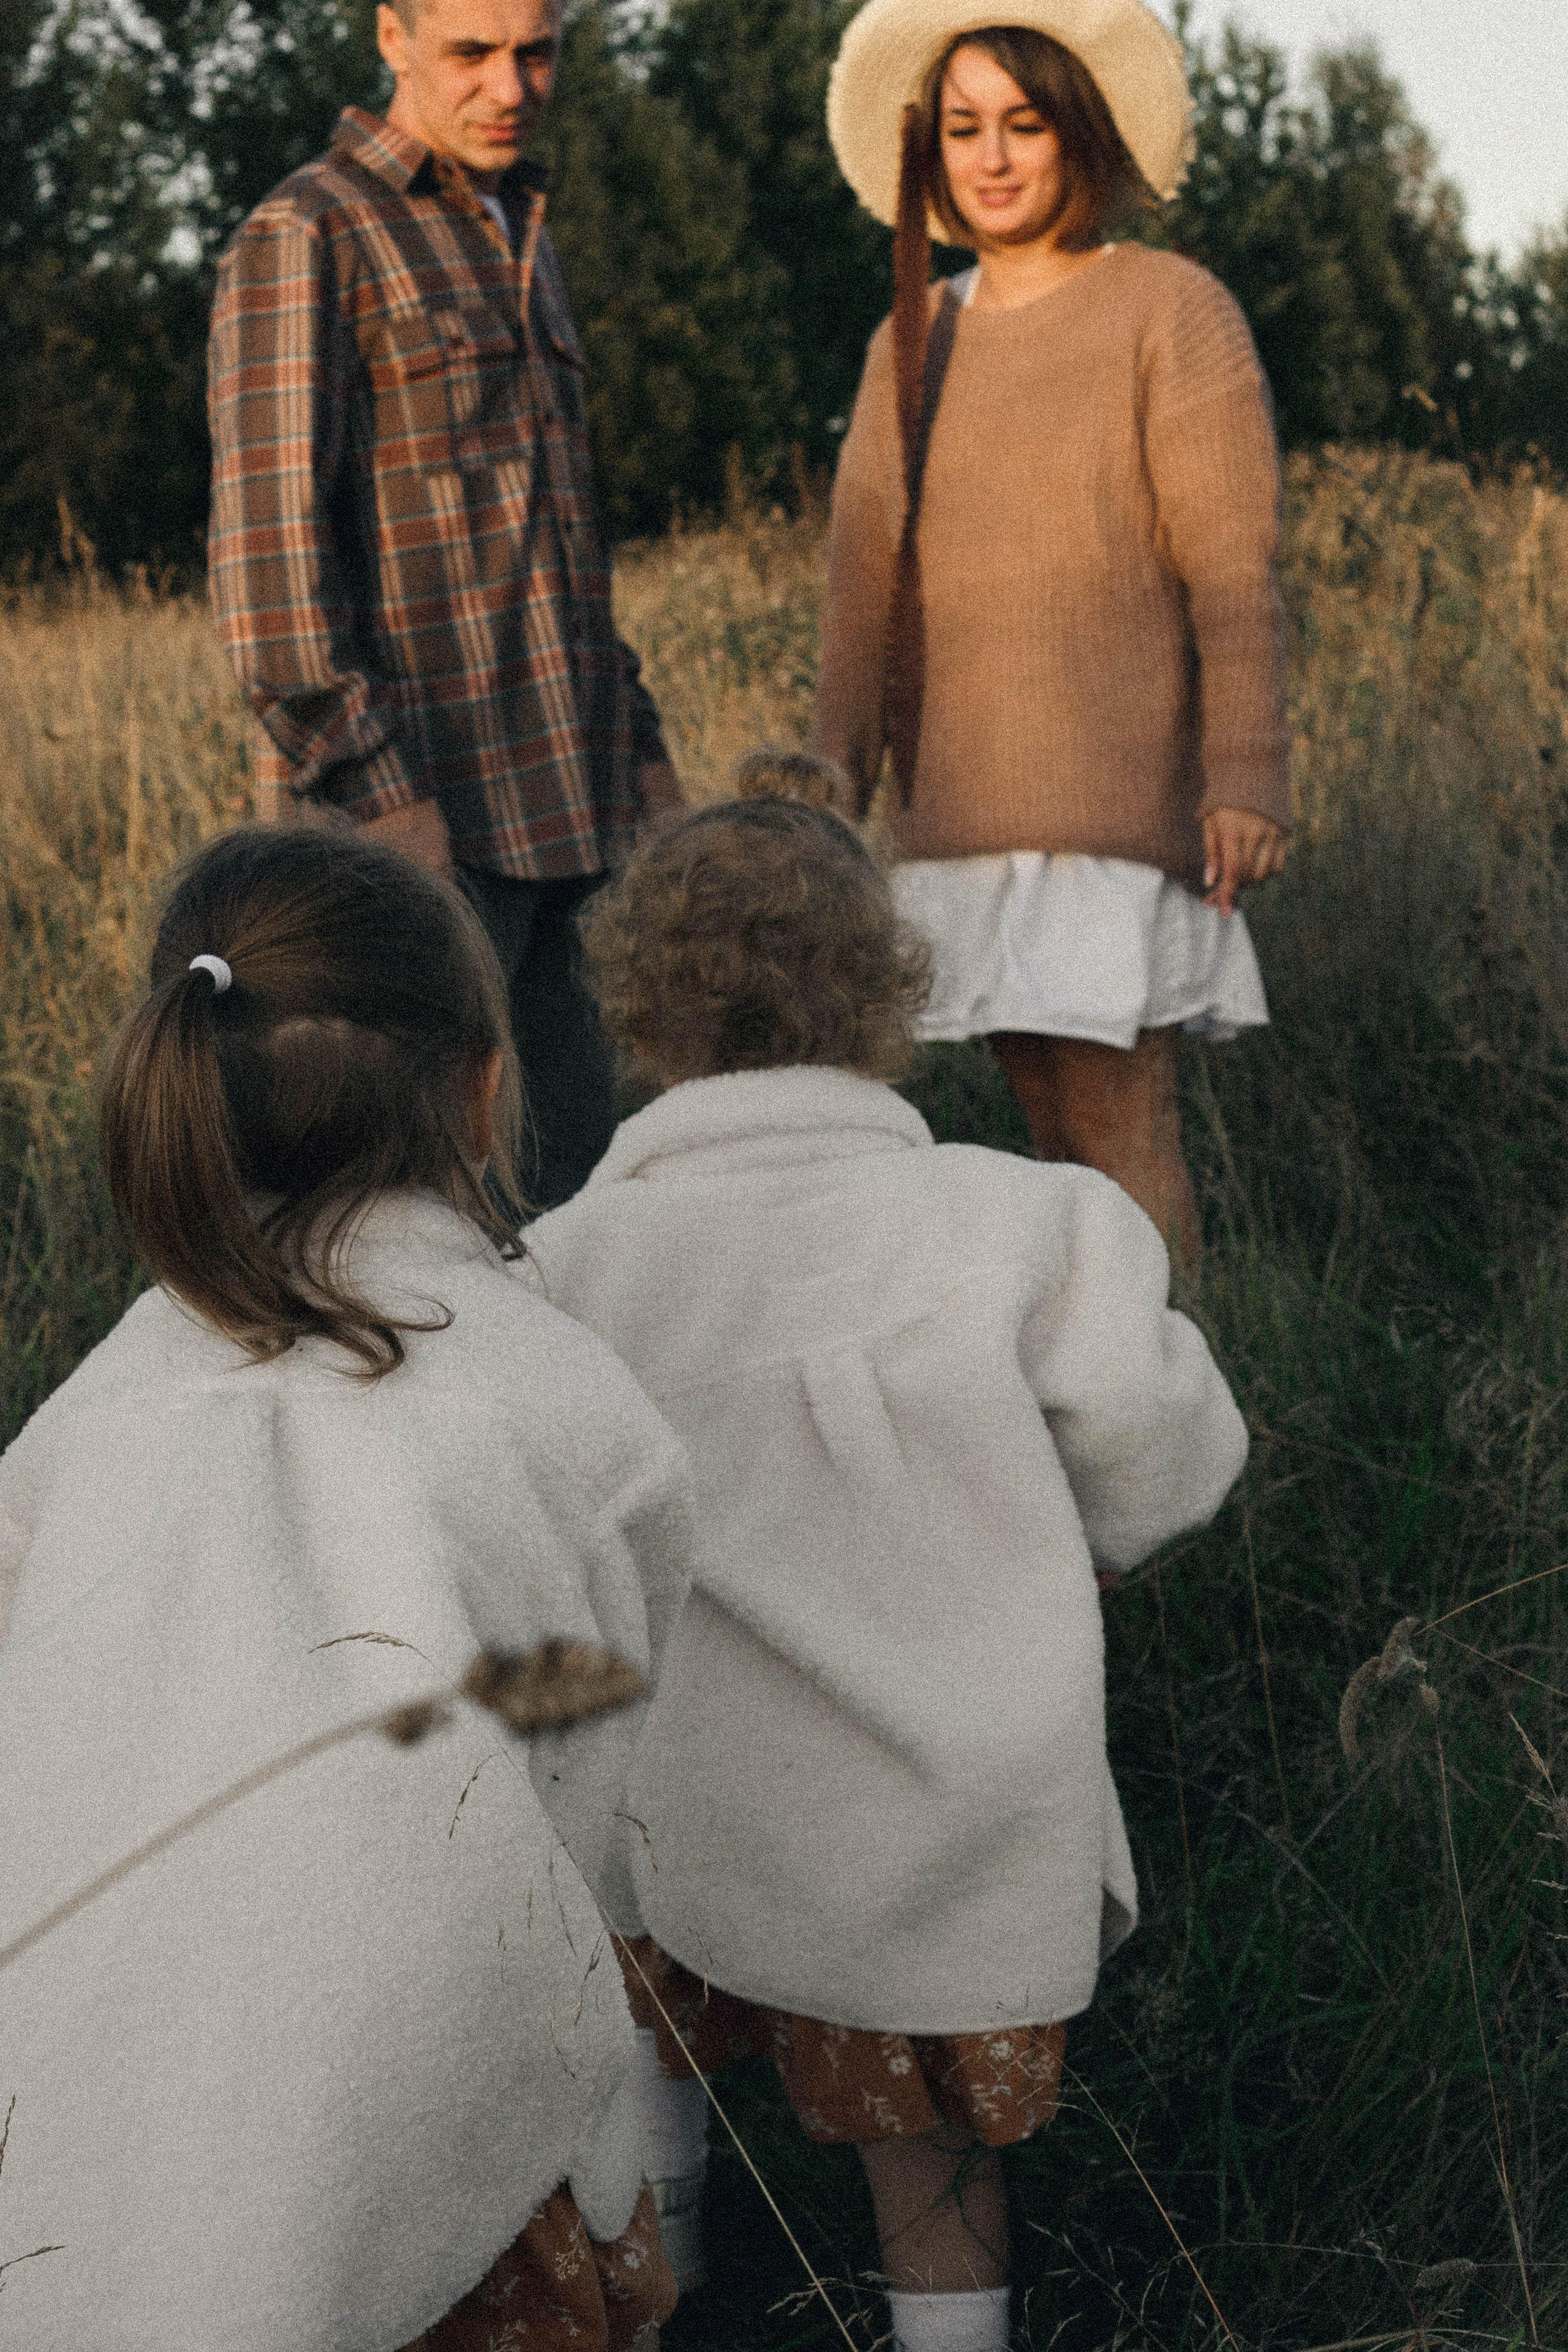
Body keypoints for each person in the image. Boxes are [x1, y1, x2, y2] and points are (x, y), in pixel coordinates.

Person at [521, 775, 1251, 2352]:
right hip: (928, 1800)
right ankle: (948, 2335)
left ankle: (682, 2273)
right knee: (920, 2129)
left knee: (644, 2007)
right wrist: (1089, 1539)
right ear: (891, 994)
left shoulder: (567, 1264)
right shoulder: (1019, 1226)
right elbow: (1165, 1441)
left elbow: (525, 1509)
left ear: (638, 1009)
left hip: (676, 1788)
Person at [0, 827, 696, 2351]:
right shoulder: (566, 1407)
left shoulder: (77, 1423)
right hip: (450, 2144)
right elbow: (591, 1800)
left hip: (81, 2135)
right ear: (484, 1090)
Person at [811, 0, 1292, 1270]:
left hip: (1111, 809)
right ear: (929, 154)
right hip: (961, 807)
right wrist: (826, 785)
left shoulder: (1166, 310)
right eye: (963, 129)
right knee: (1043, 1125)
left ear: (1077, 132)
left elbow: (1230, 569)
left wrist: (1244, 769)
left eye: (1022, 124)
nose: (992, 156)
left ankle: (1189, 1401)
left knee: (1119, 1121)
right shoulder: (910, 338)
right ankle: (1103, 1399)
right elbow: (861, 583)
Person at [206, 0, 683, 1212]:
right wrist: (385, 800)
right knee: (387, 1221)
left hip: (569, 821)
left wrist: (641, 756)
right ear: (393, 37)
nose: (510, 86)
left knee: (568, 1205)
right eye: (472, 53)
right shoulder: (307, 231)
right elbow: (270, 581)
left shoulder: (520, 232)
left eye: (536, 52)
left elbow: (558, 550)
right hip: (408, 835)